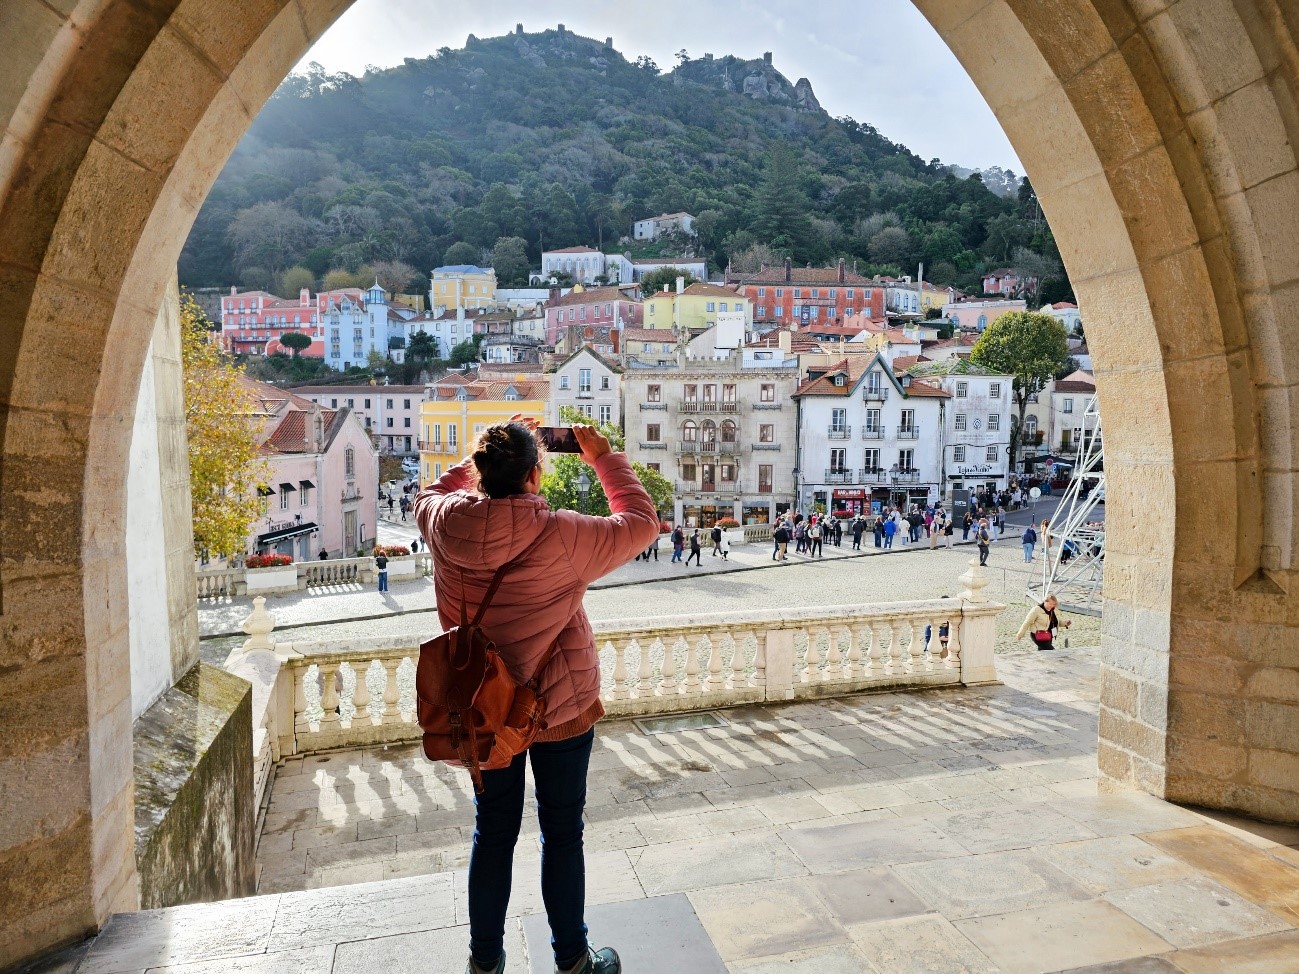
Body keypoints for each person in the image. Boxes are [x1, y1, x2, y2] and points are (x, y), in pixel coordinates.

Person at [413, 417, 656, 974]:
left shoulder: (444, 522)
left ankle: (485, 961)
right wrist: (602, 456)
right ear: (536, 474)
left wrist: (469, 469)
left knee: (492, 831)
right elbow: (642, 522)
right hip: (560, 703)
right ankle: (572, 959)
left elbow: (427, 494)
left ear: (479, 473)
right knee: (562, 832)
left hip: (484, 708)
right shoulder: (562, 535)